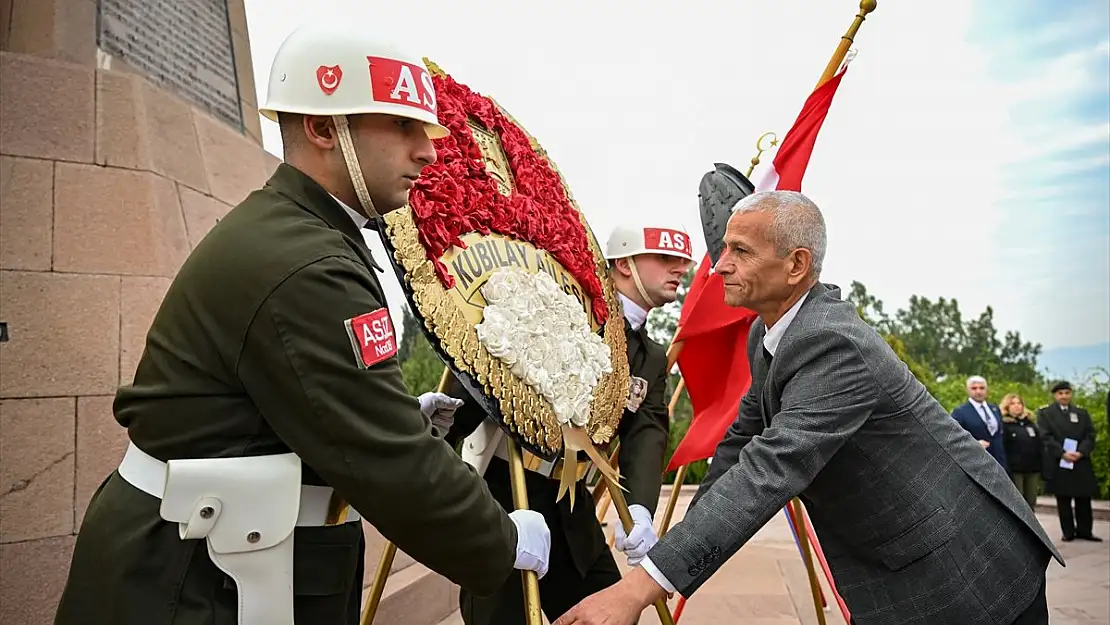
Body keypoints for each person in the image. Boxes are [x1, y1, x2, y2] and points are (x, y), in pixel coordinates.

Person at [53, 25, 550, 625]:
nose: (428, 150)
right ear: (321, 128)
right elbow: (385, 461)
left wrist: (385, 410)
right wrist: (502, 537)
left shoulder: (301, 235)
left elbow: (279, 410)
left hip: (223, 559)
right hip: (194, 582)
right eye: (401, 126)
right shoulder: (308, 263)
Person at [553, 190, 1062, 625]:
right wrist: (672, 554)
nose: (720, 265)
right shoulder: (768, 333)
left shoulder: (833, 344)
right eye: (724, 247)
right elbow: (739, 446)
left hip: (962, 570)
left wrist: (637, 588)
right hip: (908, 564)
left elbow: (771, 468)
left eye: (740, 251)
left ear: (796, 264)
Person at [443, 220, 695, 624]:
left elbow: (647, 432)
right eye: (666, 258)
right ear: (625, 264)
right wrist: (427, 440)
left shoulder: (649, 355)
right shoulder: (564, 309)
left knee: (608, 615)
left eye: (682, 261)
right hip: (507, 493)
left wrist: (641, 509)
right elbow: (487, 371)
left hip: (571, 504)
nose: (679, 270)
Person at [1038, 380, 1102, 542]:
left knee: (1084, 497)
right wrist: (1062, 453)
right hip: (1060, 461)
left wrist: (1081, 451)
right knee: (1064, 498)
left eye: (1067, 393)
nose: (1064, 396)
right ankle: (1068, 532)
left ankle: (1085, 531)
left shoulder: (1081, 412)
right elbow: (1045, 437)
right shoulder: (1046, 413)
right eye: (1060, 393)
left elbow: (1090, 435)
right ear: (1055, 395)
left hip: (1080, 460)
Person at [952, 376, 1008, 468]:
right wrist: (974, 444)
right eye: (974, 388)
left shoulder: (995, 409)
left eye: (982, 388)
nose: (978, 391)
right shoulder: (960, 412)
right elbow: (953, 437)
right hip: (977, 463)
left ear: (987, 390)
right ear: (967, 390)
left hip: (999, 463)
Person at [1000, 393, 1043, 510]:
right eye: (1013, 404)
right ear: (1007, 407)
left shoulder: (1030, 424)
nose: (1016, 406)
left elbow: (1039, 445)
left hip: (1032, 469)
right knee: (1018, 502)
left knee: (1031, 501)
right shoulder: (1004, 425)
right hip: (1015, 470)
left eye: (1019, 403)